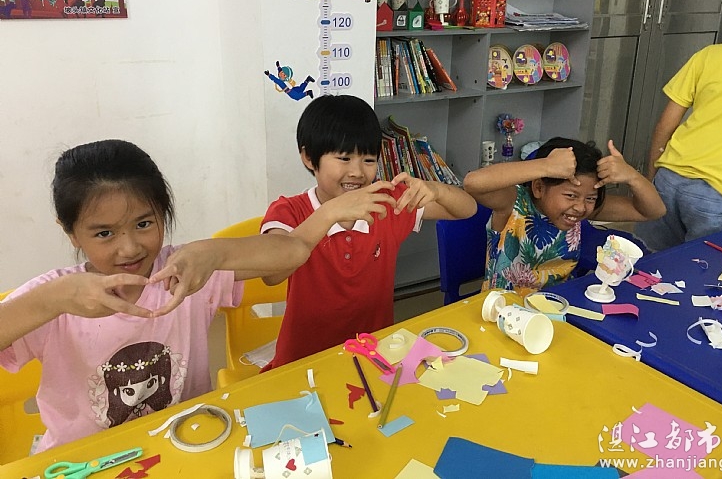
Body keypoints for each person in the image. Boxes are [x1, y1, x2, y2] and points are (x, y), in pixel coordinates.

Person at [0, 139, 309, 452]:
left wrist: (215, 252)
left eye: (144, 224)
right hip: (84, 462)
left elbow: (293, 252)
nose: (129, 248)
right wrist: (52, 300)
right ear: (71, 232)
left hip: (184, 444)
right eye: (104, 233)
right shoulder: (58, 295)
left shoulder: (185, 271)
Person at [258, 94, 477, 369]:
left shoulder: (387, 202)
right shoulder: (288, 210)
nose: (357, 172)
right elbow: (272, 274)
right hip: (304, 363)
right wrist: (330, 213)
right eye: (344, 158)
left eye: (369, 160)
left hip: (375, 355)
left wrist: (437, 189)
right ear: (309, 157)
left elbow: (466, 210)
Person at [636, 0, 722, 251]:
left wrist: (652, 175)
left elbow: (666, 124)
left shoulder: (709, 56)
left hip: (670, 177)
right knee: (701, 267)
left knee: (645, 259)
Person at [463, 137, 665, 292]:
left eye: (590, 198)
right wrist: (545, 166)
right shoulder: (513, 203)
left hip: (558, 309)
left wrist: (632, 177)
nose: (580, 207)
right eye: (571, 195)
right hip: (501, 312)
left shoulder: (580, 210)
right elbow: (472, 183)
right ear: (539, 188)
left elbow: (653, 211)